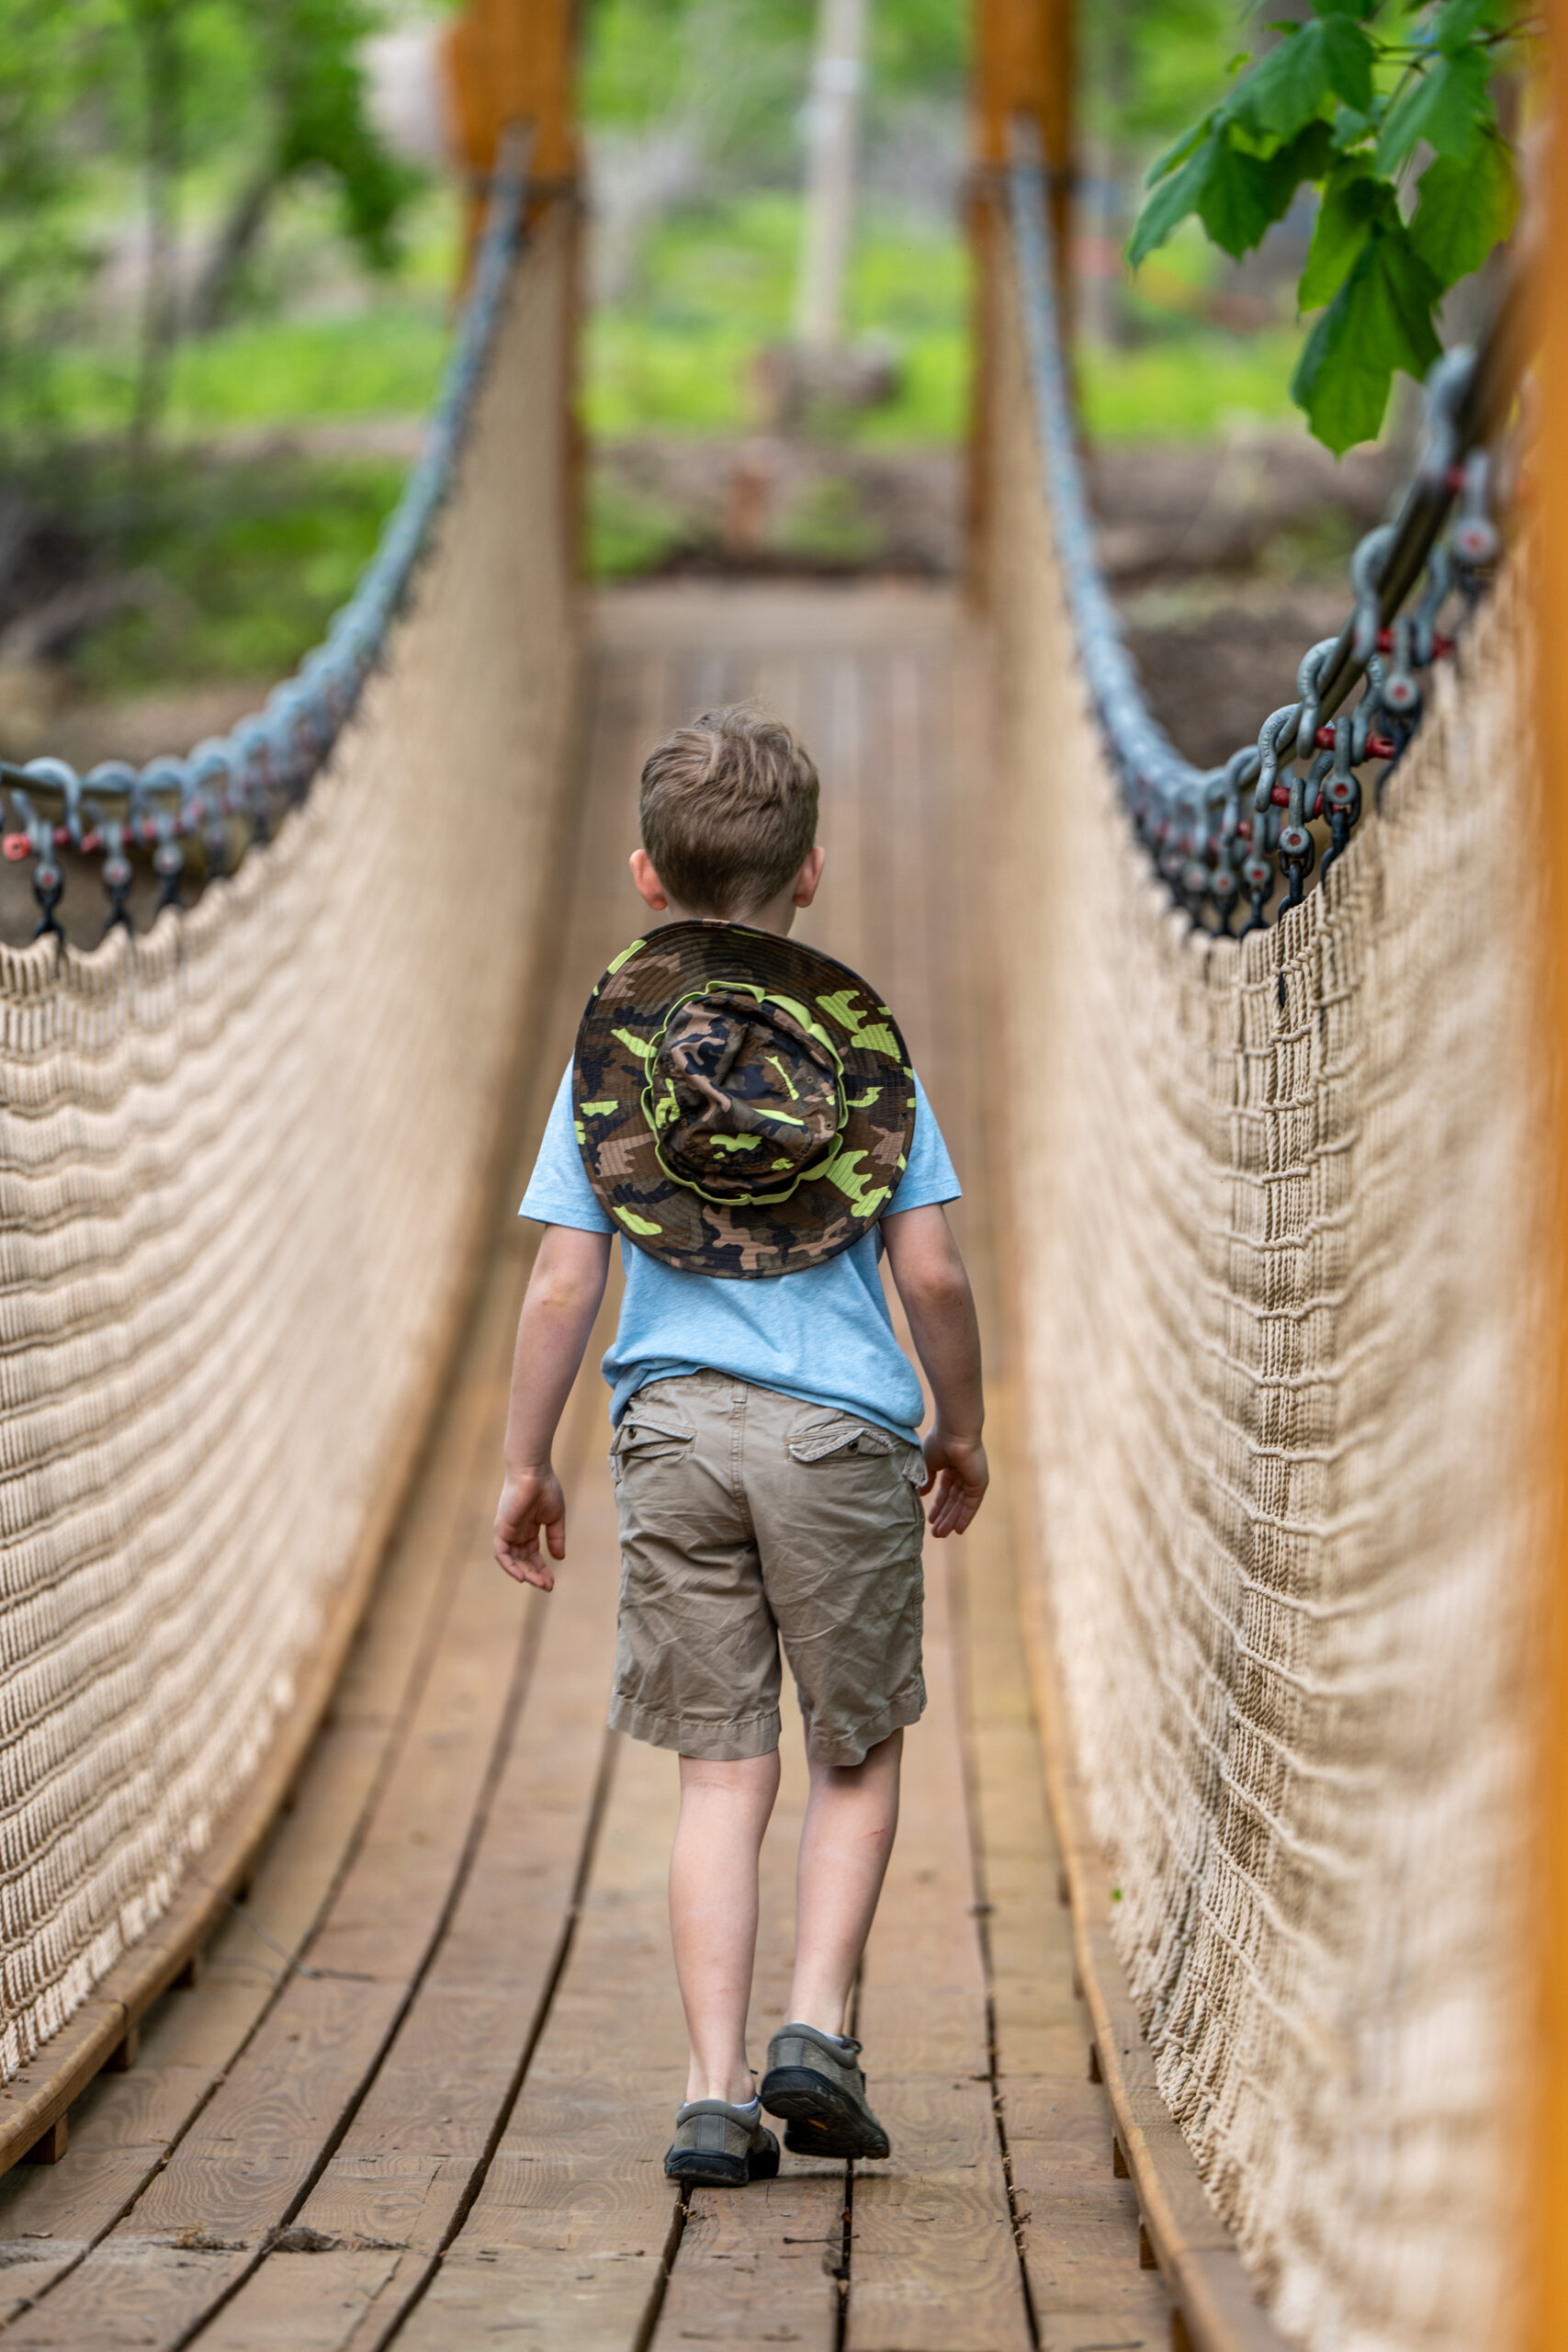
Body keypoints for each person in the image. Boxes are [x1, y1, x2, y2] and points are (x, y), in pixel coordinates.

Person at [492, 705, 987, 2188]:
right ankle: (815, 2029)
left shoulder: (619, 1064)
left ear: (647, 877)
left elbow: (564, 1277)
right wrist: (961, 1424)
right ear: (813, 874)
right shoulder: (861, 1059)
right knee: (855, 1748)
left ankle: (712, 2094)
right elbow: (938, 1274)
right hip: (842, 1437)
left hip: (673, 1434)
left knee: (721, 1774)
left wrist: (528, 1459)